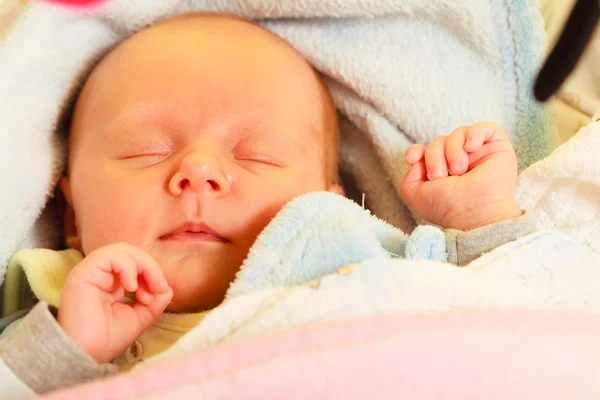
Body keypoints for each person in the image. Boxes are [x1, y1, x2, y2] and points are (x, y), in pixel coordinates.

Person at [0, 13, 532, 395]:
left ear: (332, 203)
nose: (199, 171)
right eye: (147, 150)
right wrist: (66, 353)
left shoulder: (367, 261)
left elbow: (516, 330)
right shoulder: (56, 312)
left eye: (259, 155)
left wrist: (480, 221)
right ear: (71, 215)